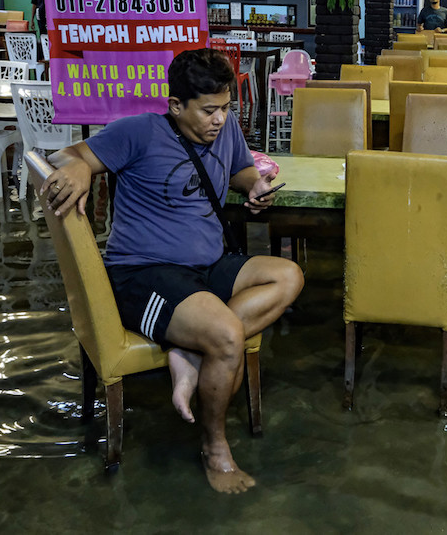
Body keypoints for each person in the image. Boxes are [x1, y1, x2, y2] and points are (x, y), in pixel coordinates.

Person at [43, 49, 304, 494]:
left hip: (206, 266)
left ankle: (189, 349)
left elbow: (240, 169)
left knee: (288, 276)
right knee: (226, 335)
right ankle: (215, 447)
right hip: (143, 274)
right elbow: (66, 154)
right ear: (176, 105)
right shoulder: (139, 132)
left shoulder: (225, 128)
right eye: (208, 110)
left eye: (225, 108)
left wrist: (253, 186)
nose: (219, 119)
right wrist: (81, 170)